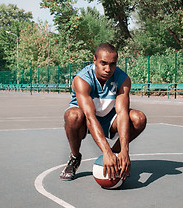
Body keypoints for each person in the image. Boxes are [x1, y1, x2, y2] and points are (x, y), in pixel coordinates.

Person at [60, 42, 146, 181]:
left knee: (139, 118)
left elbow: (123, 113)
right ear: (94, 60)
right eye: (103, 63)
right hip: (85, 120)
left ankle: (116, 157)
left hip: (110, 119)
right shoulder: (82, 79)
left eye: (113, 64)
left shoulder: (123, 79)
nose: (108, 69)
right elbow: (89, 116)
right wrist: (105, 151)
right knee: (73, 116)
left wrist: (125, 151)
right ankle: (75, 157)